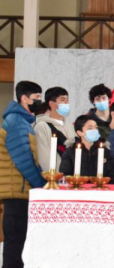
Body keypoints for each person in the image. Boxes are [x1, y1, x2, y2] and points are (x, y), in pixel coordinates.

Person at [0, 81, 45, 267]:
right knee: (15, 244)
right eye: (36, 98)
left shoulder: (21, 121)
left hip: (19, 191)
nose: (39, 102)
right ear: (24, 98)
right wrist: (41, 184)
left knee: (18, 243)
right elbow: (23, 160)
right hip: (17, 192)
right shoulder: (17, 122)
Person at [60, 115, 114, 183]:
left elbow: (112, 175)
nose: (95, 130)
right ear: (80, 132)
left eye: (96, 127)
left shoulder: (105, 152)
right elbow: (65, 174)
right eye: (90, 128)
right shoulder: (70, 152)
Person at [34, 87, 76, 172]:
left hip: (71, 174)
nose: (66, 102)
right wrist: (55, 175)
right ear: (52, 104)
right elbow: (43, 156)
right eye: (62, 99)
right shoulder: (42, 126)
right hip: (55, 175)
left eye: (67, 100)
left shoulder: (69, 125)